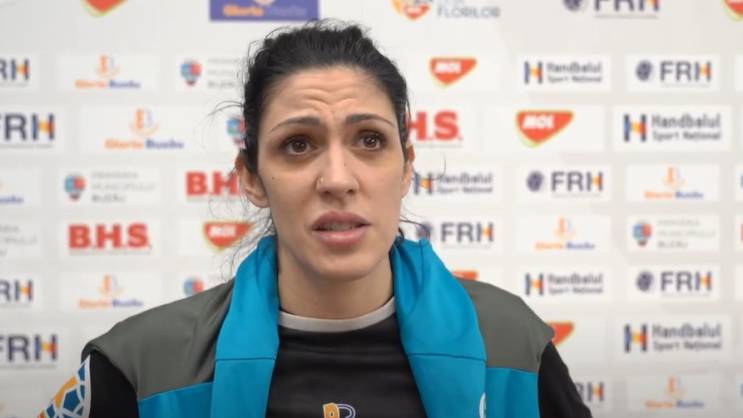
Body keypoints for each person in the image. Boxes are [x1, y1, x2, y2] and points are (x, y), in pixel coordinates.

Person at [40, 21, 592, 418]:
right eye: (298, 144)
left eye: (369, 140)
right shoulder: (140, 367)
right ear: (252, 178)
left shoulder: (512, 344)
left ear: (406, 168)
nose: (337, 178)